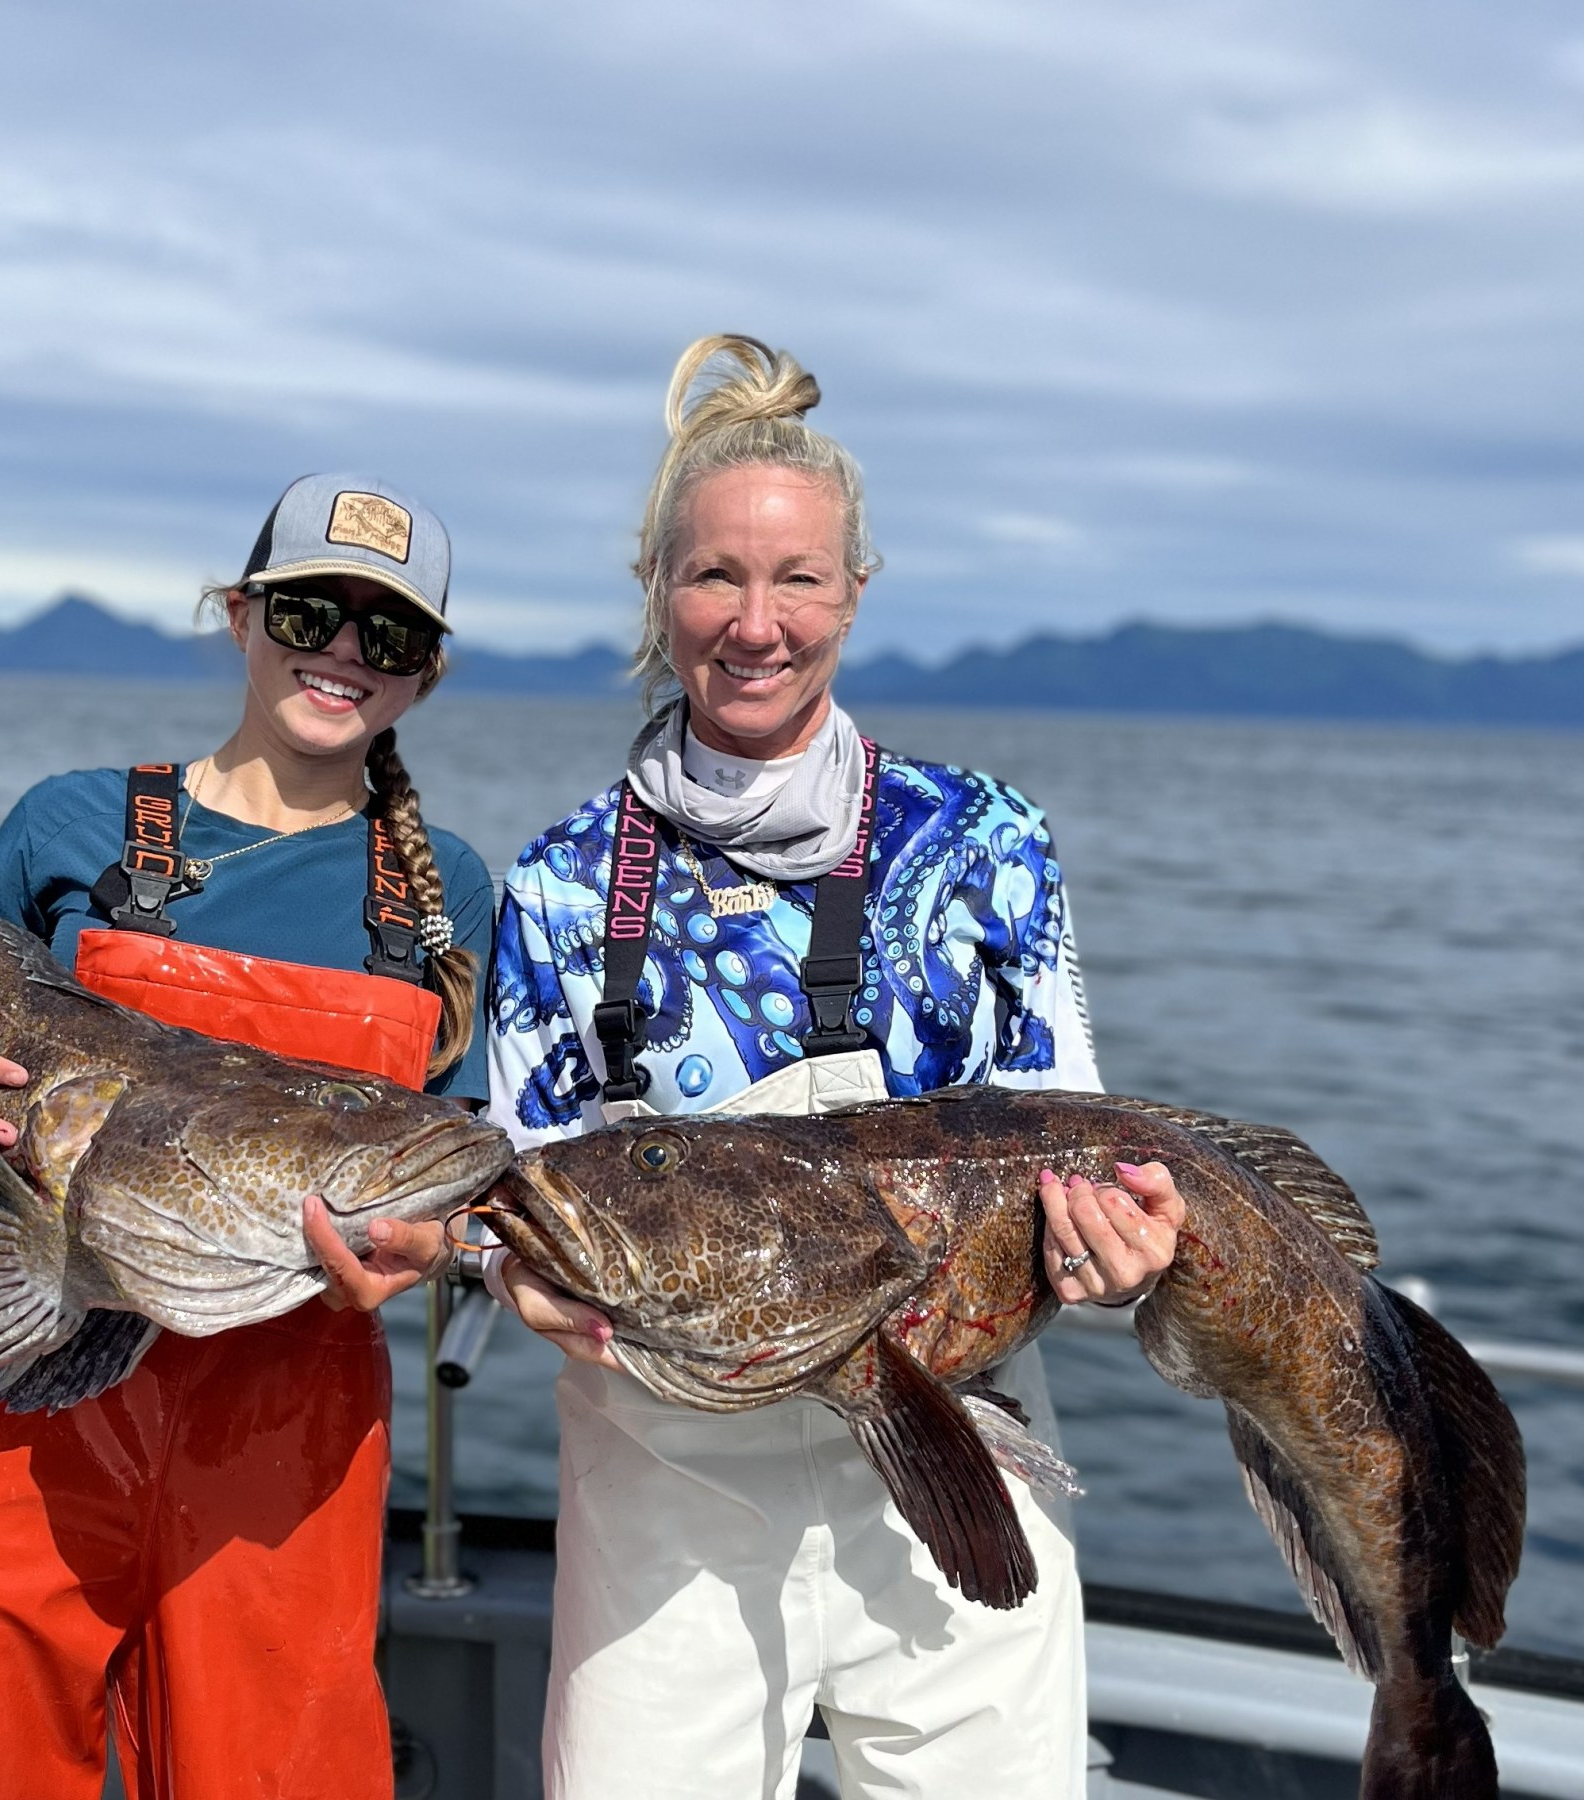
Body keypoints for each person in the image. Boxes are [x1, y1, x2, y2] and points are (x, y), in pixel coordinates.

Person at [485, 337, 1188, 1800]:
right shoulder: (557, 886)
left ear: (856, 593)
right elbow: (508, 1195)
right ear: (655, 591)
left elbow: (1073, 1144)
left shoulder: (982, 842)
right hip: (664, 1497)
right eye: (715, 578)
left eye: (798, 578)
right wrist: (513, 1273)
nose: (757, 624)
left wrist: (1118, 1257)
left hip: (960, 1463)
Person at [0, 473, 494, 1800]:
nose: (343, 652)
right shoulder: (72, 824)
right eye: (309, 611)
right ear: (239, 618)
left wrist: (430, 1241)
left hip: (285, 1425)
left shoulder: (444, 895)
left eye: (387, 634)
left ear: (424, 676)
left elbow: (465, 1155)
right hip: (1, 1386)